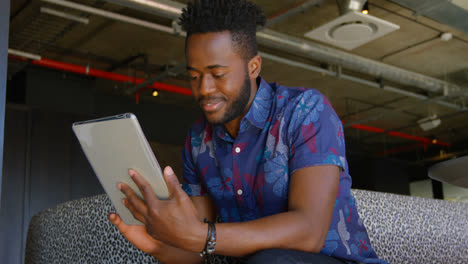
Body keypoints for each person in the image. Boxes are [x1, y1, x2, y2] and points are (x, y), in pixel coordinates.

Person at [108, 0, 387, 263]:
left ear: (253, 67)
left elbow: (309, 231)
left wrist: (203, 236)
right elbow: (196, 249)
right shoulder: (198, 141)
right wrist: (158, 244)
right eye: (194, 76)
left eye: (218, 75)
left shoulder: (306, 112)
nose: (204, 89)